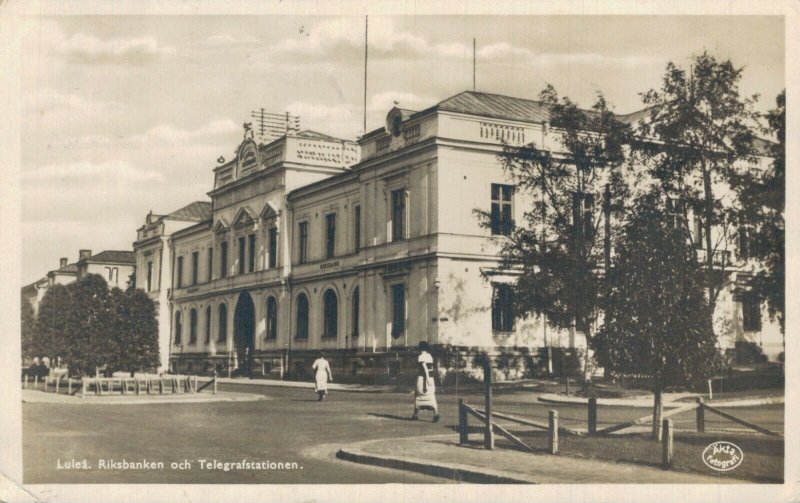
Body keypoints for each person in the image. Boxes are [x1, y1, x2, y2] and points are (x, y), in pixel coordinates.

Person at [412, 341, 439, 422]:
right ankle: (436, 413)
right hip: (431, 378)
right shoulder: (430, 356)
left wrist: (426, 379)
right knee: (431, 396)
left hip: (422, 378)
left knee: (418, 395)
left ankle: (415, 414)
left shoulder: (421, 357)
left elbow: (425, 369)